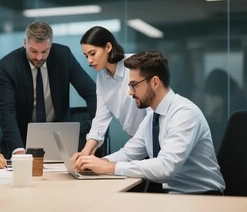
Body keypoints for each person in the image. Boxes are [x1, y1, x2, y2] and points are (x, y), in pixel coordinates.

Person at [74, 51, 225, 194]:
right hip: (173, 196)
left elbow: (166, 168)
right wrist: (95, 163)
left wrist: (110, 167)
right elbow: (129, 154)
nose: (130, 92)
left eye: (134, 85)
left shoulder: (184, 114)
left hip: (202, 197)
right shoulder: (153, 117)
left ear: (154, 82)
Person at [0, 21, 97, 158]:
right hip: (20, 138)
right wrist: (18, 150)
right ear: (24, 43)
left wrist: (96, 135)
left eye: (45, 51)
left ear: (51, 45)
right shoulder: (8, 66)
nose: (39, 57)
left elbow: (91, 93)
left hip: (58, 137)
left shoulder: (63, 56)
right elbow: (6, 111)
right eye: (33, 51)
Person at [71, 26, 147, 162]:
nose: (89, 60)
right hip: (136, 143)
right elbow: (100, 119)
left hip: (155, 140)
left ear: (108, 47)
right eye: (86, 56)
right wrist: (85, 151)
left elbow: (153, 110)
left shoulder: (135, 65)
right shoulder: (102, 78)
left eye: (92, 53)